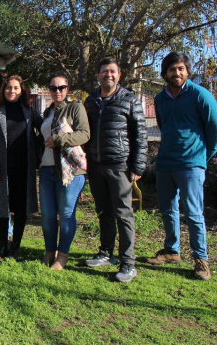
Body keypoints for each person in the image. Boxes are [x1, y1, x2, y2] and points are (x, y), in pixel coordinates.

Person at [147, 52, 217, 280]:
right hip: (165, 163)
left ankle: (201, 259)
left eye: (180, 68)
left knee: (193, 212)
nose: (176, 73)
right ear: (165, 73)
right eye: (172, 69)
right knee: (167, 209)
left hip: (191, 165)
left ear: (187, 71)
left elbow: (216, 131)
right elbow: (163, 125)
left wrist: (201, 159)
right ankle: (172, 250)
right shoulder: (160, 99)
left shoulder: (201, 95)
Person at [83, 59, 147, 282]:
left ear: (119, 75)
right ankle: (106, 253)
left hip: (120, 166)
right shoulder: (90, 101)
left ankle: (128, 262)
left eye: (112, 71)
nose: (107, 75)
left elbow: (140, 134)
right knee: (104, 212)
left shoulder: (129, 100)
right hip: (95, 165)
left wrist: (138, 165)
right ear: (98, 75)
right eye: (103, 72)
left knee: (123, 213)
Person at [0, 75, 41, 261]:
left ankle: (15, 247)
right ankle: (2, 246)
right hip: (2, 169)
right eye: (9, 87)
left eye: (16, 88)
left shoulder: (29, 111)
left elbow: (47, 125)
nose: (12, 91)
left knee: (21, 209)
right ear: (3, 89)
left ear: (21, 90)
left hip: (24, 169)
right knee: (2, 209)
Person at [37, 73, 89, 270]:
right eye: (53, 88)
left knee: (66, 214)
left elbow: (85, 134)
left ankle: (63, 256)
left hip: (69, 172)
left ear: (67, 89)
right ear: (48, 89)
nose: (57, 91)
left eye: (62, 87)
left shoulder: (75, 107)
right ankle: (50, 251)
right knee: (48, 215)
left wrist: (58, 140)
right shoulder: (48, 111)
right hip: (47, 169)